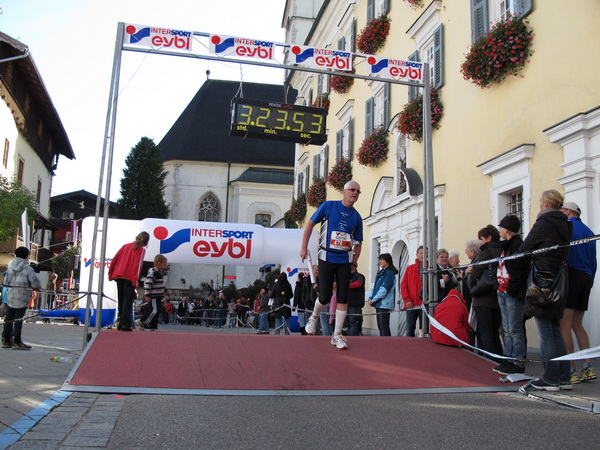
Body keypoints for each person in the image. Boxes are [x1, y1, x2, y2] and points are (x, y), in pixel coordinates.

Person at [300, 180, 363, 350]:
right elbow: (310, 224)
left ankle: (337, 335)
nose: (355, 193)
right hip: (326, 256)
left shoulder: (357, 217)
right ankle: (314, 317)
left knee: (343, 297)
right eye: (352, 190)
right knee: (325, 296)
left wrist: (354, 261)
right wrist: (304, 247)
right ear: (344, 191)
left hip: (344, 260)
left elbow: (358, 243)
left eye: (358, 191)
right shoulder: (329, 206)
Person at [521, 189, 572, 392]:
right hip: (559, 280)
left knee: (545, 331)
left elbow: (525, 248)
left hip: (543, 280)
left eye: (540, 201)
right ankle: (563, 377)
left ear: (545, 203)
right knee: (555, 330)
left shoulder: (544, 222)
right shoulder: (565, 223)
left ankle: (550, 379)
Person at [559, 201, 597, 383]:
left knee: (565, 325)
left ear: (567, 212)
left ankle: (571, 369)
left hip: (572, 275)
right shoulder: (588, 230)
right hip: (586, 277)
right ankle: (588, 366)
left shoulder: (568, 227)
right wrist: (590, 280)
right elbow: (593, 260)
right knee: (577, 324)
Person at [494, 215, 529, 375]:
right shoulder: (505, 246)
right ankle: (508, 359)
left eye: (501, 227)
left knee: (515, 330)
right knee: (507, 329)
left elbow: (520, 270)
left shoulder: (518, 246)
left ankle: (518, 362)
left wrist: (512, 289)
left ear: (508, 229)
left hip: (511, 292)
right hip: (502, 291)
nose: (499, 230)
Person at [468, 226, 503, 359]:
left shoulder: (485, 253)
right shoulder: (503, 250)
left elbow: (475, 273)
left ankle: (490, 360)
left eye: (482, 239)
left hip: (483, 297)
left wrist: (471, 282)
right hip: (499, 296)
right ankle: (499, 359)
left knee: (486, 332)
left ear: (488, 238)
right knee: (495, 332)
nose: (481, 242)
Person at [108, 231, 149, 332]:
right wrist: (135, 281)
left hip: (119, 275)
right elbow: (137, 266)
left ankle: (121, 323)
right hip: (129, 277)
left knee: (121, 300)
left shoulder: (125, 246)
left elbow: (115, 259)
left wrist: (111, 273)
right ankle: (125, 324)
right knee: (128, 301)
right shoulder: (141, 250)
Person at [2, 247, 42, 349]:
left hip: (11, 296)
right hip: (22, 297)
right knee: (18, 319)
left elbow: (6, 281)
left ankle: (6, 340)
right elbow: (35, 283)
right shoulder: (28, 268)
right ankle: (17, 341)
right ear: (26, 256)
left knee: (8, 318)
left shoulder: (11, 266)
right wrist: (37, 288)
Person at [368, 253, 398, 336]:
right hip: (378, 303)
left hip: (385, 304)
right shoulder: (381, 273)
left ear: (387, 261)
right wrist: (371, 297)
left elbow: (384, 289)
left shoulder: (389, 273)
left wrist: (373, 299)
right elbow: (375, 287)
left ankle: (387, 342)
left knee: (384, 326)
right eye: (380, 260)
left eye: (382, 260)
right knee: (380, 326)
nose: (380, 262)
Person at [136, 254, 168, 331]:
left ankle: (153, 326)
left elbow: (161, 285)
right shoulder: (153, 273)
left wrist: (165, 291)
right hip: (154, 296)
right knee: (154, 311)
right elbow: (148, 284)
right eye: (164, 264)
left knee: (157, 311)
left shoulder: (159, 273)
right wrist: (147, 295)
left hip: (158, 296)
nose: (165, 266)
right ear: (159, 264)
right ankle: (142, 321)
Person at [401, 245, 424, 337]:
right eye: (421, 253)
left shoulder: (431, 268)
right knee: (410, 329)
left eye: (425, 253)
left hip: (424, 304)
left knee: (424, 330)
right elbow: (403, 285)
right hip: (411, 303)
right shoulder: (410, 268)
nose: (423, 255)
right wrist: (407, 299)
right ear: (417, 255)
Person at [347, 263, 365, 336]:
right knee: (347, 323)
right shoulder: (346, 276)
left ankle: (354, 337)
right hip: (346, 303)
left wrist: (345, 285)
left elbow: (358, 284)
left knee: (353, 322)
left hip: (355, 303)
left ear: (354, 266)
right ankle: (349, 337)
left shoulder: (359, 276)